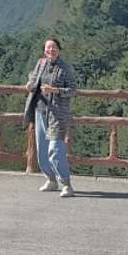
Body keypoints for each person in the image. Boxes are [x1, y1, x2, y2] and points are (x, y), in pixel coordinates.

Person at [26, 37, 80, 197]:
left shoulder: (65, 68)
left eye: (54, 47)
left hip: (57, 114)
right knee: (42, 150)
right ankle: (51, 180)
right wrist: (30, 84)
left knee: (55, 150)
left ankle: (66, 184)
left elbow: (73, 90)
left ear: (59, 50)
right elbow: (33, 78)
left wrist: (55, 90)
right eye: (48, 47)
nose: (51, 50)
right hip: (40, 110)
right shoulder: (41, 63)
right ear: (44, 50)